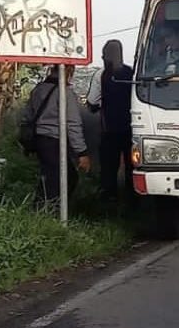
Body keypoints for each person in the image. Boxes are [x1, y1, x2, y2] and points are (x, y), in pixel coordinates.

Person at [21, 65, 90, 208]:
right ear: (69, 72)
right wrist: (81, 152)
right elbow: (73, 124)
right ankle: (48, 212)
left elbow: (27, 116)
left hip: (39, 140)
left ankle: (45, 210)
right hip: (54, 141)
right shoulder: (65, 93)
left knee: (51, 177)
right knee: (60, 179)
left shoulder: (38, 90)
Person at [86, 40, 134, 201]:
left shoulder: (101, 75)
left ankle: (109, 202)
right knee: (132, 169)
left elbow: (92, 103)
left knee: (108, 170)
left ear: (106, 56)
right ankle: (133, 204)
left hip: (109, 131)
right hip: (131, 130)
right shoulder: (132, 73)